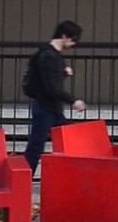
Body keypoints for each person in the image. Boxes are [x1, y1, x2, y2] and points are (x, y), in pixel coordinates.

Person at [22, 20, 86, 174]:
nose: (73, 44)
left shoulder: (52, 55)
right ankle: (23, 182)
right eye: (73, 40)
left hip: (52, 109)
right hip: (45, 109)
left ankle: (66, 177)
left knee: (44, 145)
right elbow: (51, 88)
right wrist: (74, 101)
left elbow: (50, 82)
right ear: (64, 36)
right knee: (36, 147)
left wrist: (63, 73)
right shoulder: (48, 56)